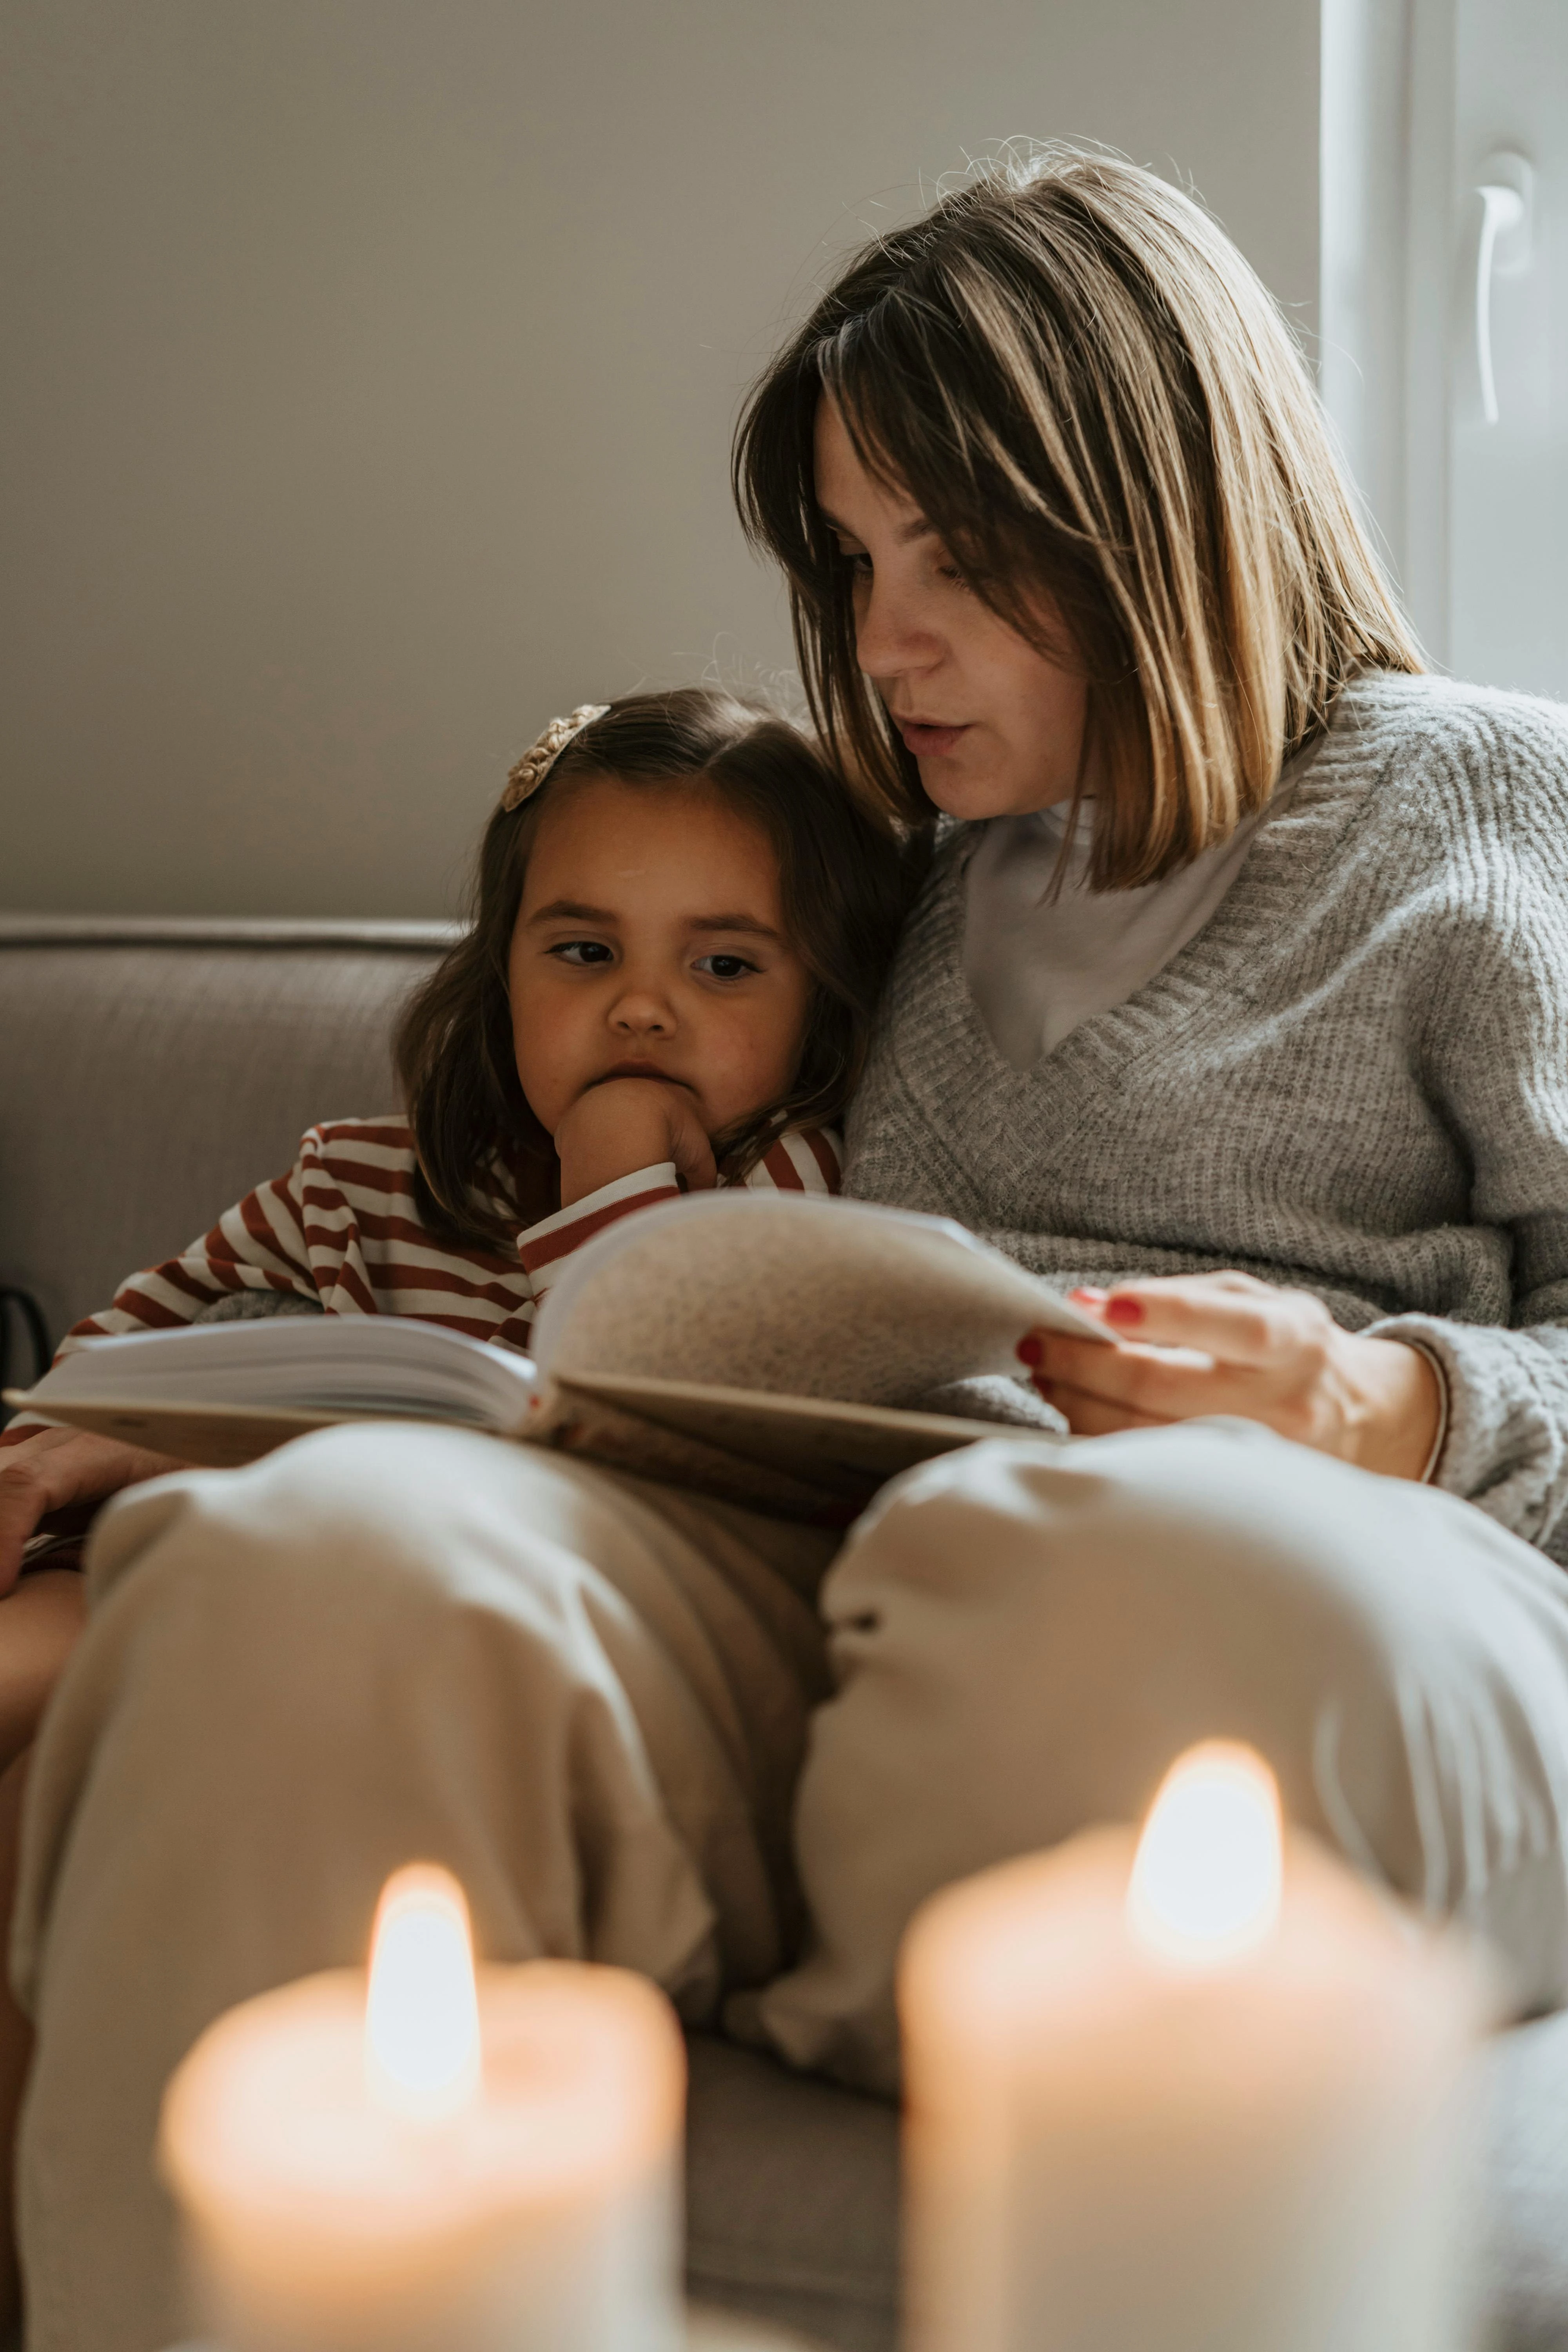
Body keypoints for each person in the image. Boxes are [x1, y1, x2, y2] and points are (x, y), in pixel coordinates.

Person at [7, 143, 1568, 2352]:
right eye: (852, 561)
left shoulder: (1482, 803)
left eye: (963, 559)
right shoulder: (882, 875)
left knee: (1126, 1574)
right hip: (841, 1550)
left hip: (1320, 1553)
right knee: (316, 1575)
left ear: (1167, 504)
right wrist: (207, 1431)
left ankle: (910, 1961)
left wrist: (1373, 1397)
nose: (883, 642)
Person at [0, 685, 906, 2337]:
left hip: (443, 1623)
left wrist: (617, 1171)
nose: (641, 1009)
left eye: (723, 967)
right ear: (501, 975)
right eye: (583, 952)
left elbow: (648, 1426)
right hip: (193, 1562)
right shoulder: (362, 1180)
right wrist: (67, 1445)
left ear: (823, 1006)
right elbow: (130, 1345)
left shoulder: (797, 1189)